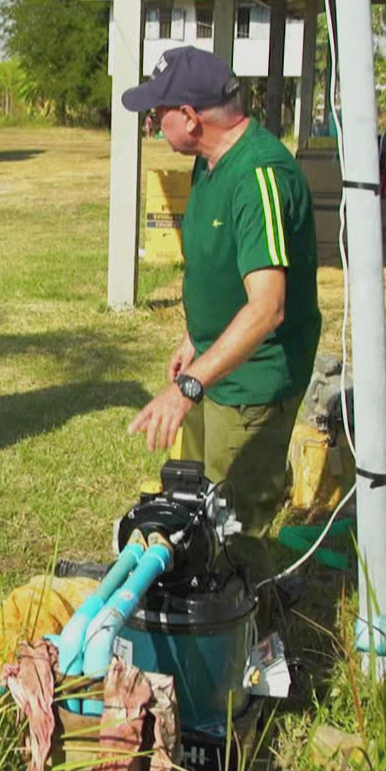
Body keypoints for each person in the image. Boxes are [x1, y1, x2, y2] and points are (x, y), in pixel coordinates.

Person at [123, 47, 322, 575]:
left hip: (253, 381)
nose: (151, 120)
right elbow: (219, 268)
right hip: (210, 368)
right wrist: (195, 337)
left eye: (156, 111)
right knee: (191, 500)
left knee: (232, 528)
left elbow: (267, 309)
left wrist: (188, 386)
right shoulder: (207, 164)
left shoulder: (260, 176)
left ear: (190, 116)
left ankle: (247, 636)